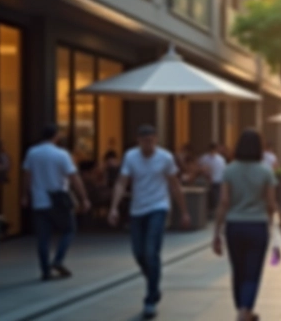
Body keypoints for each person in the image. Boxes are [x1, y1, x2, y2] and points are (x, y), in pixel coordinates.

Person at [109, 125, 191, 320]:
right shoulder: (131, 156)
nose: (149, 144)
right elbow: (122, 182)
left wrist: (184, 212)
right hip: (137, 209)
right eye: (145, 141)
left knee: (150, 251)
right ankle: (154, 284)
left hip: (159, 207)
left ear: (156, 139)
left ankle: (150, 300)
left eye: (152, 140)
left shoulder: (165, 157)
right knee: (138, 253)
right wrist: (113, 207)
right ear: (138, 140)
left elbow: (174, 184)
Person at [212, 130, 281, 321]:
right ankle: (245, 310)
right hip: (257, 226)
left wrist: (216, 233)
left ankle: (243, 308)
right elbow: (271, 203)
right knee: (253, 271)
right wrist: (274, 223)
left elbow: (224, 202)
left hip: (234, 226)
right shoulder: (266, 171)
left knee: (238, 270)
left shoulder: (229, 170)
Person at [22, 125, 91, 281]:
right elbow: (74, 177)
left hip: (39, 199)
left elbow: (27, 175)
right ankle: (58, 259)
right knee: (69, 229)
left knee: (43, 237)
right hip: (59, 199)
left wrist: (25, 194)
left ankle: (45, 271)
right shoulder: (62, 154)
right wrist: (84, 198)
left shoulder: (32, 153)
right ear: (56, 136)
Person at [199, 143, 227, 214]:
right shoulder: (204, 158)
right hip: (208, 180)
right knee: (210, 197)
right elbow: (199, 167)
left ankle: (215, 211)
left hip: (218, 180)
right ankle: (211, 211)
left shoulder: (220, 159)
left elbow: (223, 170)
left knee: (216, 197)